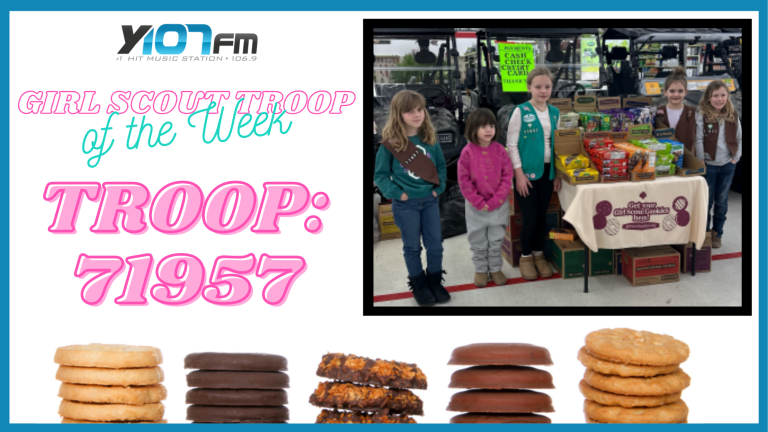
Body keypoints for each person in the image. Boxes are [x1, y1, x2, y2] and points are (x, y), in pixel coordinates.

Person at [374, 90, 449, 306]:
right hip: (405, 205)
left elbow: (441, 167)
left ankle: (435, 281)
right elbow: (380, 175)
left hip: (430, 201)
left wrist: (439, 187)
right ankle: (419, 285)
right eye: (410, 111)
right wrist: (399, 194)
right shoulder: (391, 144)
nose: (417, 114)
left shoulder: (429, 139)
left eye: (420, 109)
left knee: (435, 245)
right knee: (412, 247)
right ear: (399, 114)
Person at [506, 67, 562, 280]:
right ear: (529, 87)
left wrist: (557, 173)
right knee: (529, 219)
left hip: (548, 173)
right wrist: (518, 174)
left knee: (542, 218)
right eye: (538, 87)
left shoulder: (555, 113)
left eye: (547, 86)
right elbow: (511, 144)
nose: (543, 91)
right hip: (526, 174)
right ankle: (526, 256)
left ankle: (540, 255)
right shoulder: (520, 111)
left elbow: (558, 145)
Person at [458, 108, 514, 288]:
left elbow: (507, 176)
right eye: (483, 126)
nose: (489, 129)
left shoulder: (500, 150)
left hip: (498, 205)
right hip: (476, 207)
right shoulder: (467, 151)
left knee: (496, 238)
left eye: (491, 125)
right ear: (473, 128)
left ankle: (496, 268)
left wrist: (496, 200)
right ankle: (481, 270)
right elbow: (463, 180)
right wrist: (478, 201)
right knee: (478, 239)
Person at [695, 80, 742, 249]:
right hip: (709, 165)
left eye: (723, 95)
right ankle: (705, 232)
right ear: (708, 97)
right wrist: (701, 159)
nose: (720, 99)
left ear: (728, 96)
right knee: (706, 201)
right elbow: (699, 138)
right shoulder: (702, 115)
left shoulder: (733, 115)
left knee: (721, 201)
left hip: (728, 164)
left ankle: (718, 233)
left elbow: (740, 138)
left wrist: (735, 158)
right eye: (715, 95)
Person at [655, 66, 697, 152]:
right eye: (672, 91)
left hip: (687, 158)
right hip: (663, 158)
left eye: (680, 91)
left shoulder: (692, 112)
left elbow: (696, 138)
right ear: (665, 92)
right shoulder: (657, 112)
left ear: (686, 92)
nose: (676, 94)